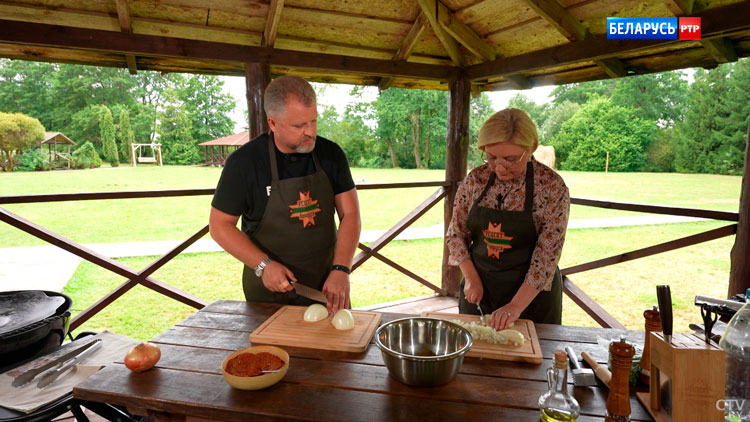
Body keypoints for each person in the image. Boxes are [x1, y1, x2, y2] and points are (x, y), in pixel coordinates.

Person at [209, 75, 361, 314]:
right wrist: (263, 265)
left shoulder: (331, 155)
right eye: (299, 126)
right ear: (273, 123)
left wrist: (341, 270)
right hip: (268, 294)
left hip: (328, 288)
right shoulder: (244, 163)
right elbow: (219, 226)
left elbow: (350, 214)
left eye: (313, 121)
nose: (310, 132)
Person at [446, 108, 569, 330]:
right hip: (480, 292)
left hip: (533, 298)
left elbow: (547, 255)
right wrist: (471, 278)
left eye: (511, 159)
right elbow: (455, 235)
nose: (500, 167)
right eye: (492, 157)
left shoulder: (551, 187)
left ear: (531, 147)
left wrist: (515, 305)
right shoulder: (475, 180)